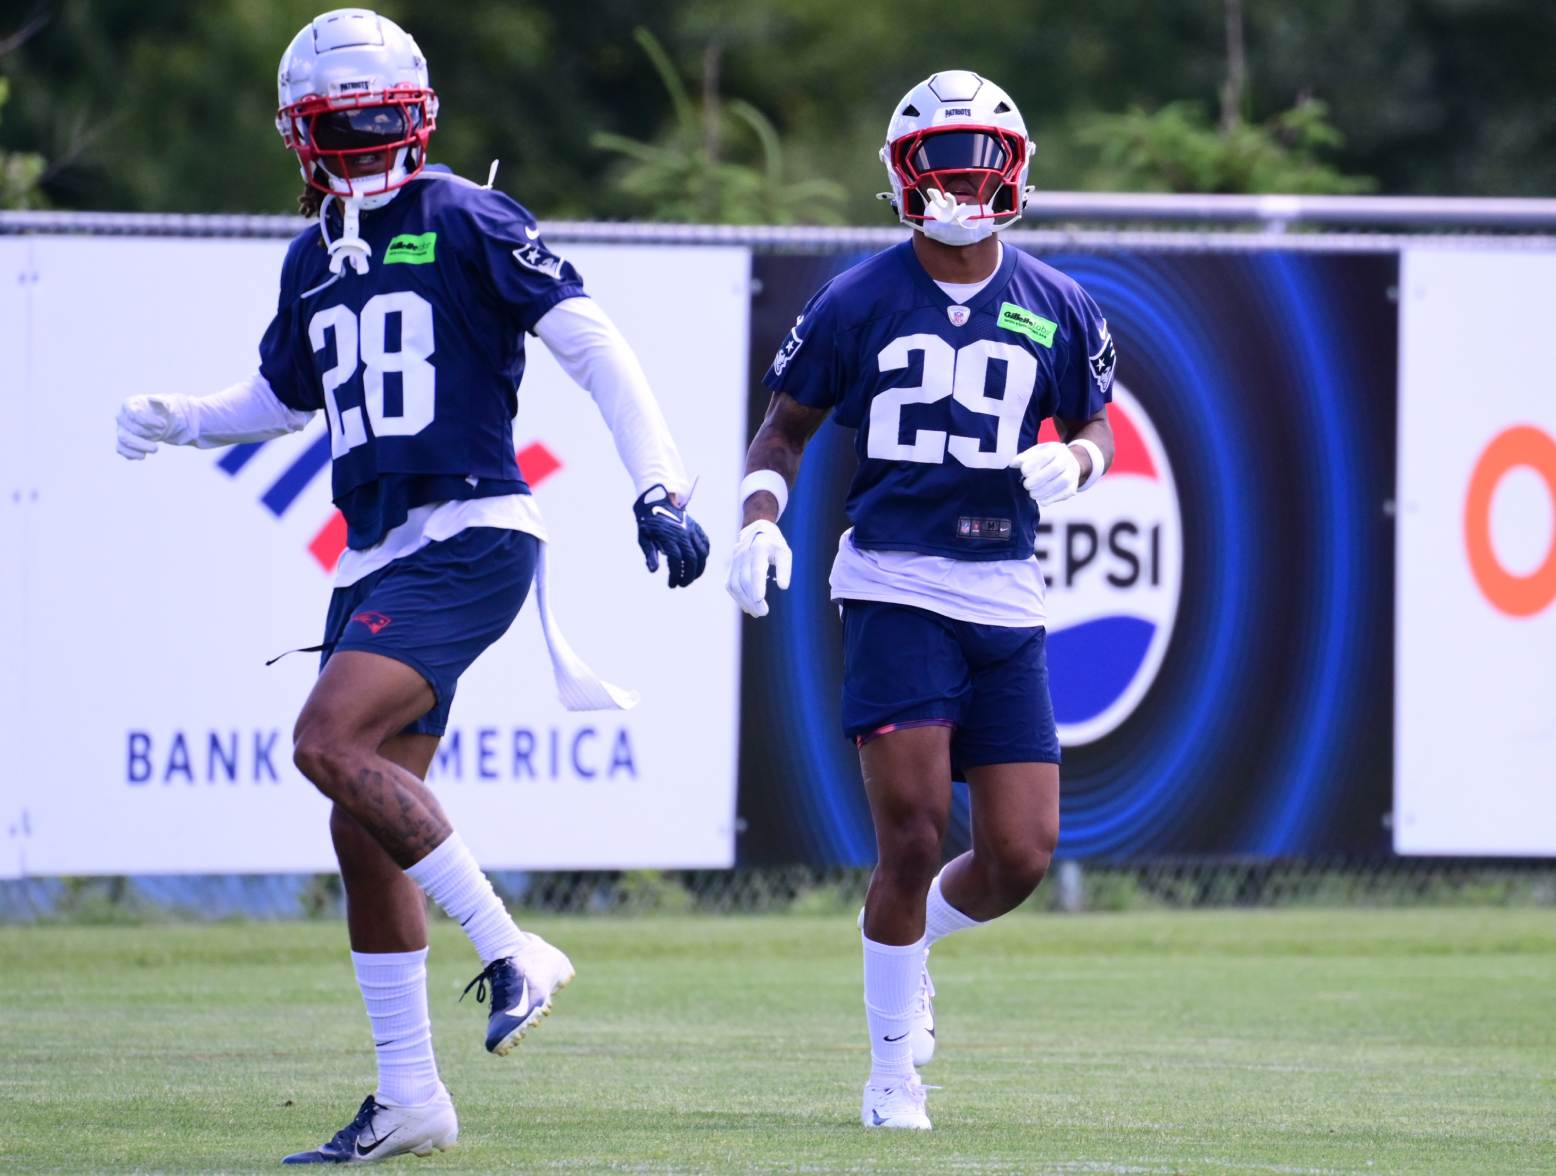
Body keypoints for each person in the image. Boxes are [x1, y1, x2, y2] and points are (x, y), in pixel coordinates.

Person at [115, 8, 709, 1164]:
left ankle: (511, 948)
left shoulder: (470, 217)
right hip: (376, 550)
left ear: (419, 116)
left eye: (377, 118)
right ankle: (411, 1098)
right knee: (360, 824)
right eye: (341, 124)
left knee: (323, 739)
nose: (361, 141)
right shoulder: (312, 255)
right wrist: (184, 421)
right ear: (302, 134)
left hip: (472, 530)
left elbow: (593, 346)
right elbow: (289, 400)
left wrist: (660, 487)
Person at [727, 70, 1116, 1131]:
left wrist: (1074, 469)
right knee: (906, 839)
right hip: (894, 582)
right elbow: (782, 433)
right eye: (937, 167)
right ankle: (891, 1071)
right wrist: (759, 516)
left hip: (1006, 592)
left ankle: (909, 949)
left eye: (975, 166)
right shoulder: (855, 299)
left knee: (1021, 855)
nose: (956, 188)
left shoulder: (1055, 304)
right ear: (902, 178)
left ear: (1012, 173)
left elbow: (1096, 427)